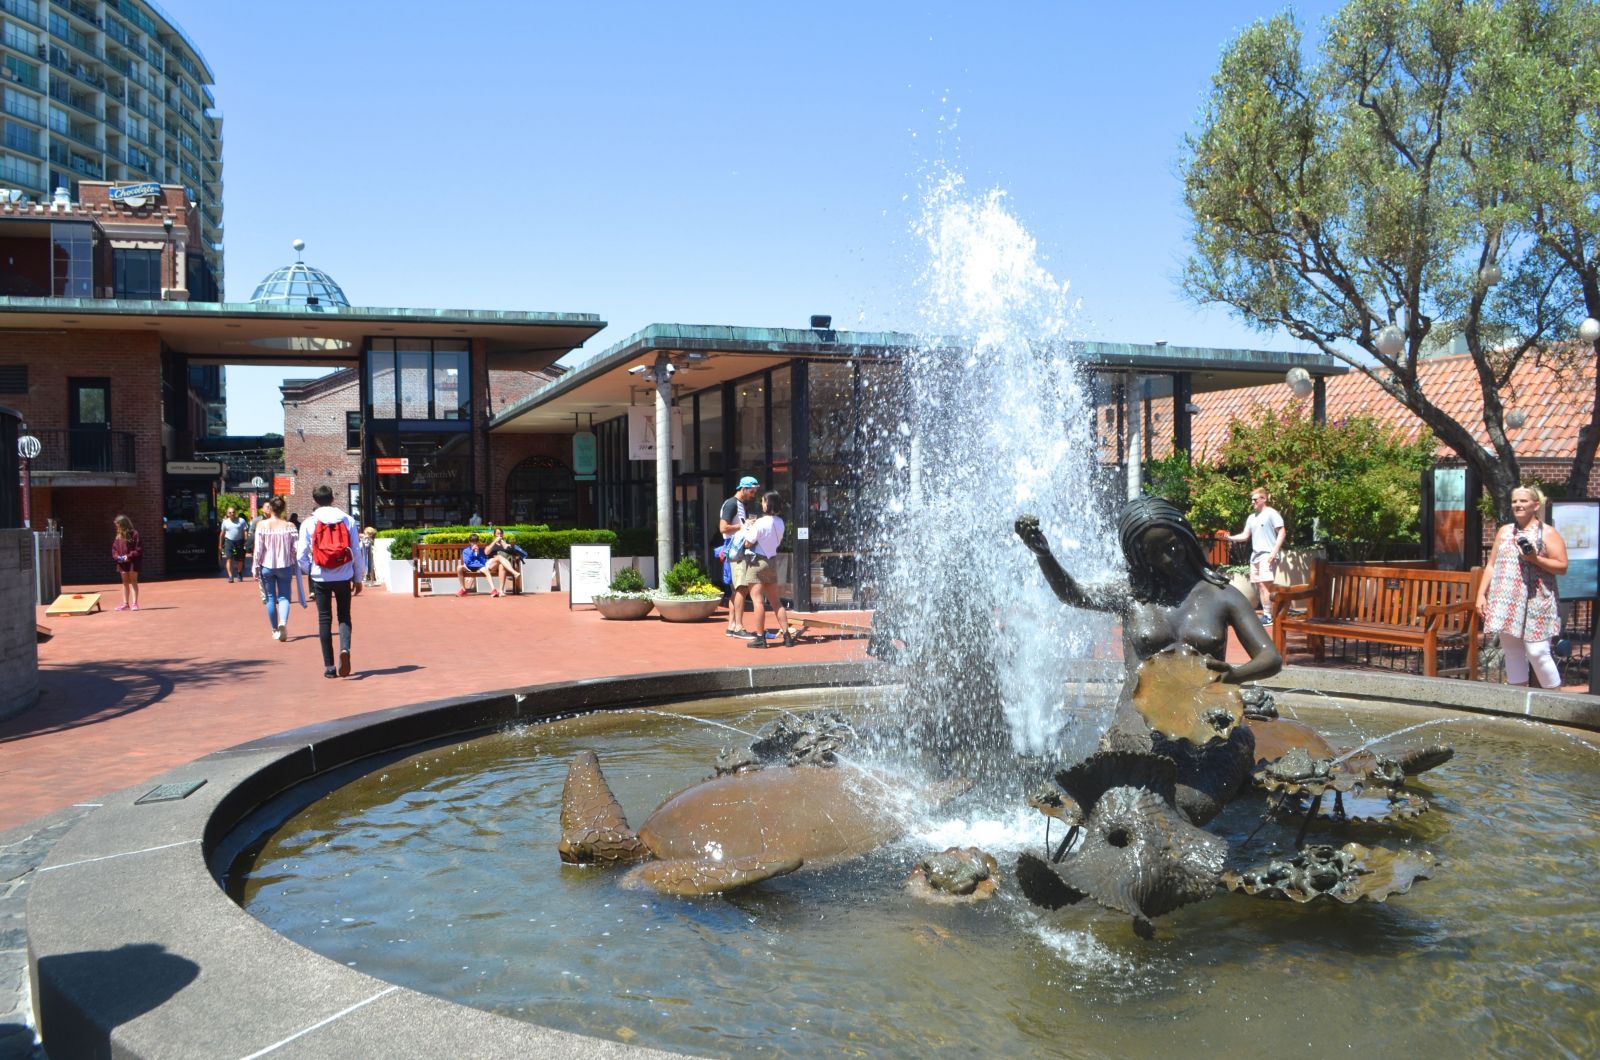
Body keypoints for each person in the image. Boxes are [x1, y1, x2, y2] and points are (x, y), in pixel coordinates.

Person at [1016, 496, 1282, 684]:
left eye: (1172, 545)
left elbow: (1270, 657)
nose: (1169, 558)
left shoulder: (1222, 595)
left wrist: (1235, 675)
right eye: (1154, 553)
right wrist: (1044, 555)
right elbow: (1071, 594)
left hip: (1206, 714)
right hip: (1139, 722)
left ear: (1185, 537)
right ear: (1139, 558)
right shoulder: (1130, 594)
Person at [1476, 485, 1568, 689]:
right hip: (1505, 599)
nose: (1518, 505)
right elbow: (1491, 565)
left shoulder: (1548, 533)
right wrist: (1481, 595)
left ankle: (1557, 701)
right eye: (1515, 501)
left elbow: (1562, 567)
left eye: (1523, 501)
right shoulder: (1504, 531)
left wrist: (1534, 559)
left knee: (1538, 652)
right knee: (1512, 651)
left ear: (1536, 505)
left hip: (1537, 601)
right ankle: (1518, 701)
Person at [298, 483, 365, 679]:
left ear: (315, 501)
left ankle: (329, 666)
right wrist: (358, 577)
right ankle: (345, 648)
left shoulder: (309, 523)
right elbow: (357, 551)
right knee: (344, 616)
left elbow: (300, 554)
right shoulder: (347, 519)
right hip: (343, 575)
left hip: (320, 576)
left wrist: (310, 569)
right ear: (333, 499)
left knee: (324, 619)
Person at [1224, 487, 1286, 626]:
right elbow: (1245, 536)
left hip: (1267, 554)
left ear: (1264, 499)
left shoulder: (1272, 514)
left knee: (1265, 585)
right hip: (1256, 556)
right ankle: (1270, 613)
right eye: (1252, 500)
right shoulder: (1252, 517)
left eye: (1255, 499)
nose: (1253, 502)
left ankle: (1269, 616)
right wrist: (1230, 538)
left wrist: (1274, 552)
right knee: (1260, 586)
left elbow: (1282, 532)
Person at [741, 491, 794, 649]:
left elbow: (748, 543)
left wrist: (746, 529)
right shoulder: (780, 522)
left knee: (757, 600)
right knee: (776, 601)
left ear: (768, 503)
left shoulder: (760, 522)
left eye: (763, 501)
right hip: (771, 561)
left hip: (757, 562)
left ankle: (760, 637)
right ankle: (787, 636)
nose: (761, 503)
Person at [720, 475, 762, 639]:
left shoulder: (740, 504)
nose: (754, 495)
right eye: (752, 491)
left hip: (737, 550)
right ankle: (738, 627)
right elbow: (723, 528)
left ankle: (732, 625)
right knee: (741, 588)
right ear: (744, 489)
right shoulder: (732, 504)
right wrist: (744, 525)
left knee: (737, 589)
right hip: (736, 551)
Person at [253, 496, 300, 642]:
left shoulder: (262, 525)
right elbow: (295, 548)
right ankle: (283, 623)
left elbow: (258, 549)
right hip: (285, 565)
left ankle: (274, 630)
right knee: (285, 597)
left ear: (271, 508)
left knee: (270, 598)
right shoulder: (290, 526)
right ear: (283, 509)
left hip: (267, 565)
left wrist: (255, 566)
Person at [111, 514, 141, 612]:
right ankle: (125, 604)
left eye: (118, 525)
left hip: (132, 562)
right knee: (124, 583)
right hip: (122, 562)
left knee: (133, 581)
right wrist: (117, 557)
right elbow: (114, 549)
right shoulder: (118, 536)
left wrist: (128, 556)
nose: (117, 527)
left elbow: (138, 549)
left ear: (123, 524)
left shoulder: (134, 534)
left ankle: (135, 604)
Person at [484, 529, 526, 596]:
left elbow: (514, 554)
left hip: (503, 564)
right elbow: (486, 552)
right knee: (499, 557)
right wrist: (494, 541)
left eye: (501, 533)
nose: (499, 535)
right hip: (491, 564)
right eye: (497, 533)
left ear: (503, 535)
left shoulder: (506, 544)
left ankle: (501, 590)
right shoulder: (491, 543)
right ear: (494, 534)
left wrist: (506, 545)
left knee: (502, 565)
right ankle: (514, 573)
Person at [219, 505, 247, 583]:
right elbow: (222, 533)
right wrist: (220, 545)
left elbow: (245, 531)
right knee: (229, 559)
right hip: (229, 541)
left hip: (239, 541)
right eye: (230, 512)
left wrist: (245, 540)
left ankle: (239, 573)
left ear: (236, 513)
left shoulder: (241, 521)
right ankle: (230, 576)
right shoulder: (225, 522)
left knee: (240, 559)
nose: (232, 514)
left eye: (233, 512)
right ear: (227, 514)